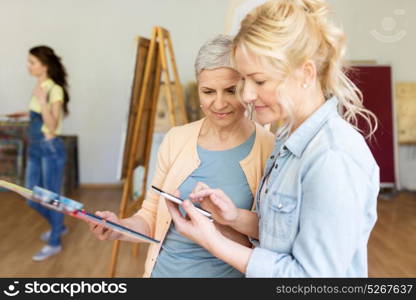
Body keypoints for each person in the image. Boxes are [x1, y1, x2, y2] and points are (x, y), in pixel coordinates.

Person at [166, 0, 380, 277]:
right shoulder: (288, 138)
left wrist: (213, 240)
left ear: (305, 73)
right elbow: (287, 232)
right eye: (244, 81)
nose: (246, 96)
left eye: (260, 81)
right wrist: (234, 217)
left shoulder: (332, 156)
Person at [87, 35, 274, 277]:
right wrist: (118, 227)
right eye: (208, 92)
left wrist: (230, 219)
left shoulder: (269, 147)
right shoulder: (176, 139)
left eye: (230, 90)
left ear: (247, 87)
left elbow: (273, 231)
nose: (219, 103)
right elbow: (151, 215)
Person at [7, 46, 70, 261]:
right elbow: (39, 114)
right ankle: (58, 225)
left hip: (49, 148)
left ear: (44, 65)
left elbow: (52, 125)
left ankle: (55, 241)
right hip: (35, 147)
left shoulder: (54, 89)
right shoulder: (39, 86)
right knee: (31, 197)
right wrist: (25, 112)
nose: (28, 66)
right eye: (29, 62)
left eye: (32, 62)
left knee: (51, 198)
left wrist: (42, 101)